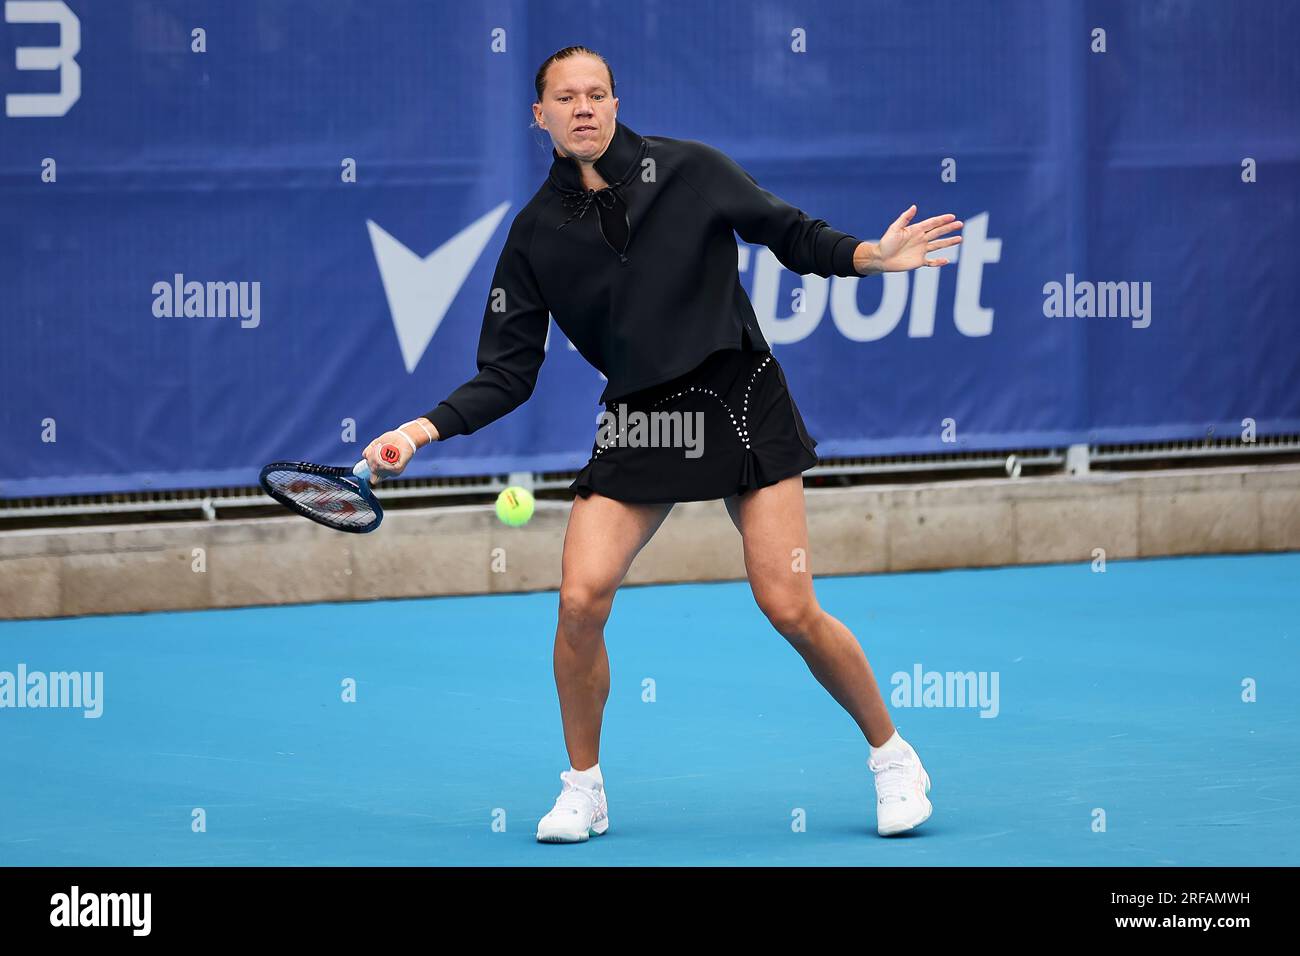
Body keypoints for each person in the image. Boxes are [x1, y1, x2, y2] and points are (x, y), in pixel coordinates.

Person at [363, 45, 963, 842]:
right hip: (643, 420)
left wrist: (870, 257)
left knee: (787, 604)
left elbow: (789, 233)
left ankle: (893, 757)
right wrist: (418, 430)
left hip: (739, 397)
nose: (585, 108)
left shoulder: (690, 171)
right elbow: (507, 373)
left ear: (615, 102)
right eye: (566, 98)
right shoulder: (534, 236)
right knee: (579, 601)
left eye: (598, 94)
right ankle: (584, 787)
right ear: (538, 115)